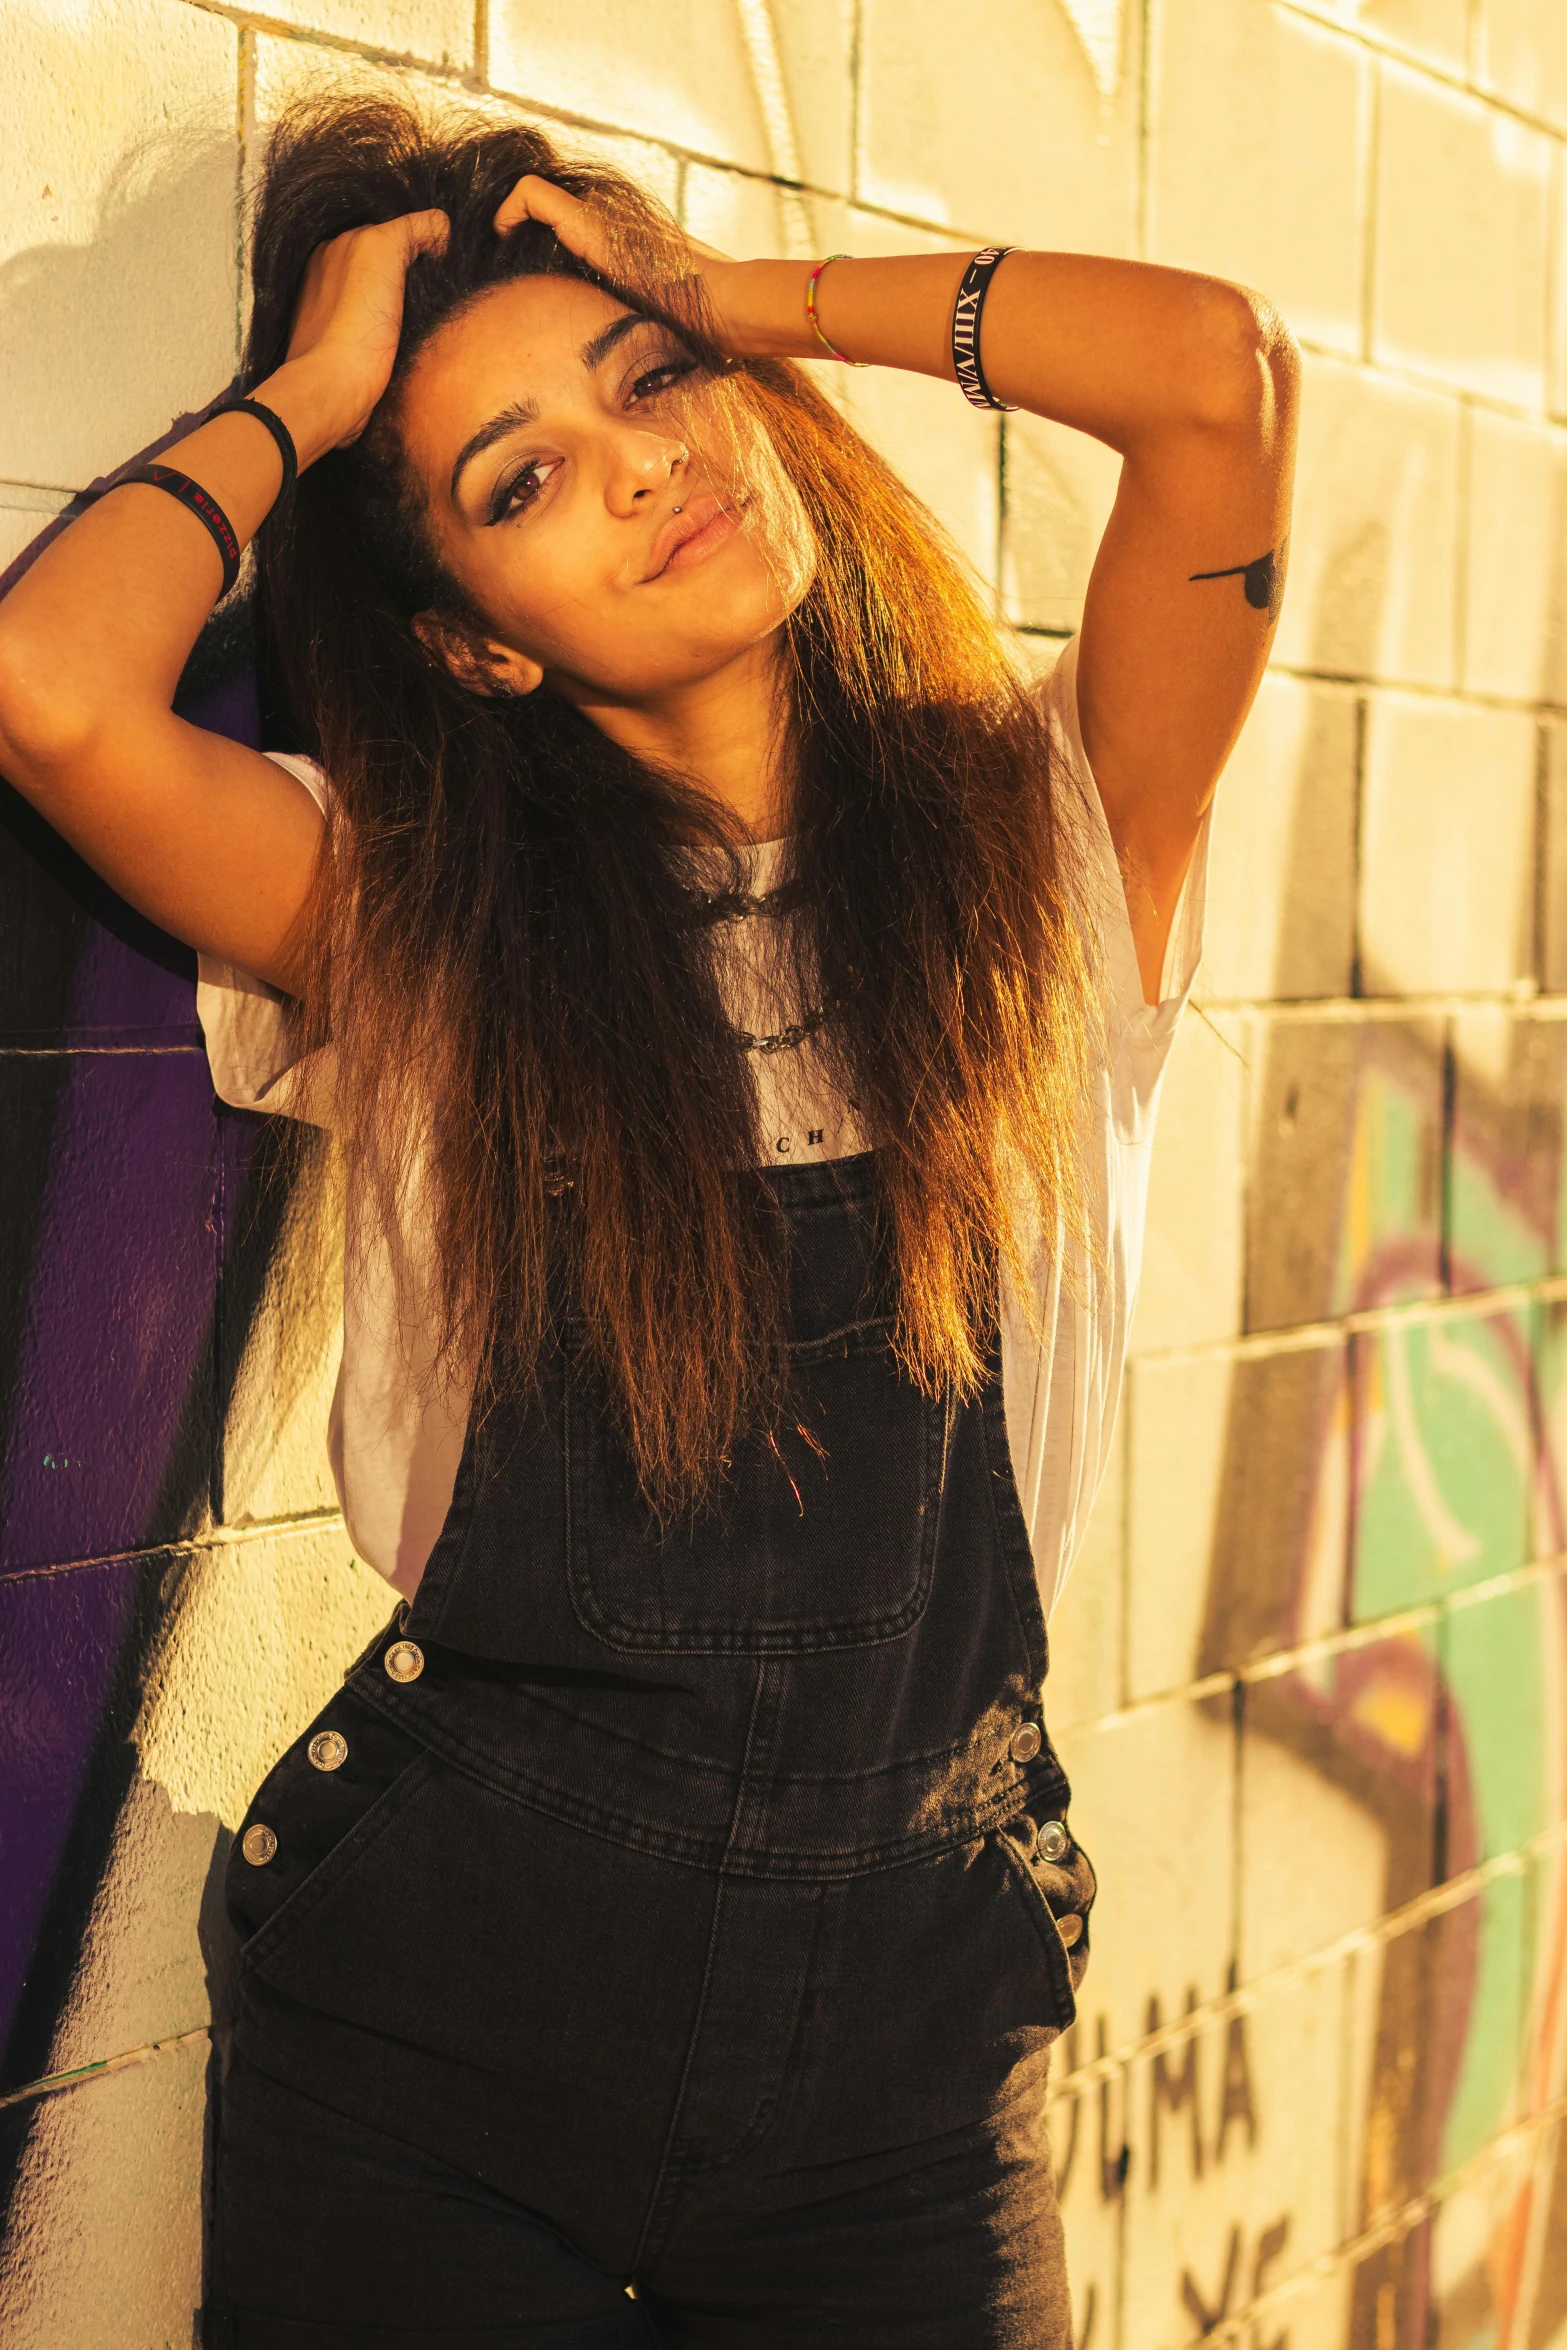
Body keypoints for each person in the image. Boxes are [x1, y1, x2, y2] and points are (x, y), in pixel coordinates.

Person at [0, 92, 1297, 2350]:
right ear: (475, 644)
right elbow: (48, 688)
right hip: (433, 2063)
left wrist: (724, 295)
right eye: (517, 482)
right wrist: (304, 404)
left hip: (904, 2085)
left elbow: (1210, 377)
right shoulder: (413, 919)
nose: (634, 467)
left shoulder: (1051, 855)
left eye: (647, 393)